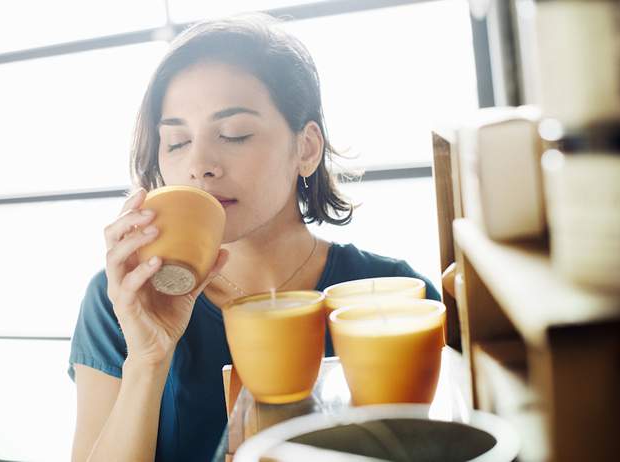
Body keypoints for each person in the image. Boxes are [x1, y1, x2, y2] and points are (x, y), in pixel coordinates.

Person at [68, 13, 442, 462]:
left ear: (305, 149)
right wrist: (148, 358)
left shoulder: (393, 293)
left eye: (234, 134)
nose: (200, 164)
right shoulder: (122, 301)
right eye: (176, 141)